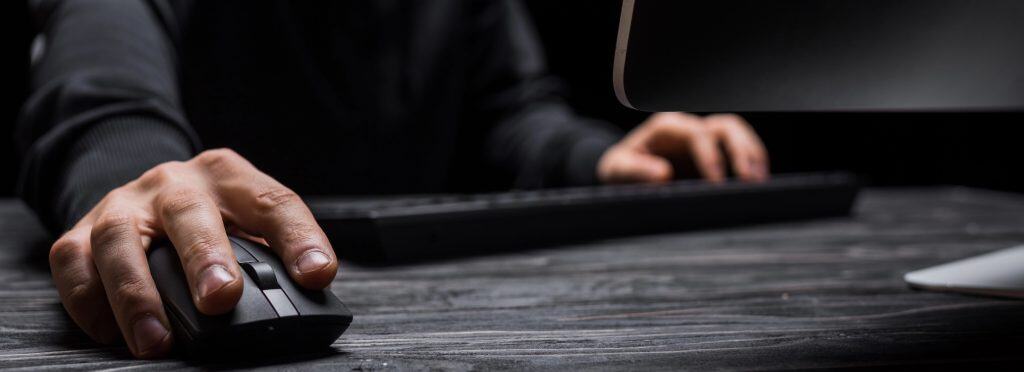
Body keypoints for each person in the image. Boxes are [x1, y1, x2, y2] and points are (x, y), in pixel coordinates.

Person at [18, 0, 769, 358]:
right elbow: (101, 89)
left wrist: (603, 161)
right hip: (225, 278)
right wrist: (138, 180)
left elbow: (514, 111)